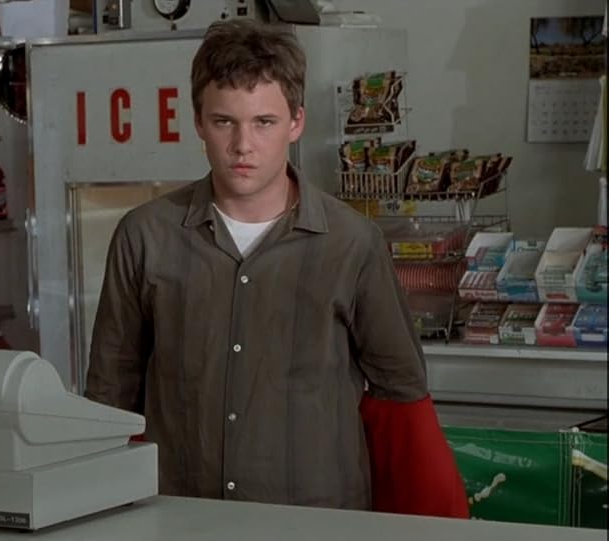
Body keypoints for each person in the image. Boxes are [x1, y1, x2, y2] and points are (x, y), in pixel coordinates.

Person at [84, 19, 467, 516]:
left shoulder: (352, 243)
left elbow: (401, 392)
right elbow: (110, 392)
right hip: (177, 514)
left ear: (296, 122)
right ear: (197, 122)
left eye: (264, 122)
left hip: (318, 518)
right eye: (224, 122)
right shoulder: (144, 236)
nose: (243, 145)